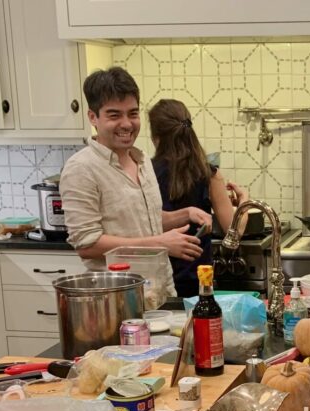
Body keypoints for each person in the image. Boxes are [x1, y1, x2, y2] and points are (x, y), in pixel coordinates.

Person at [59, 67, 209, 303]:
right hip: (116, 300)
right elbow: (87, 244)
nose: (127, 124)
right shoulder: (81, 168)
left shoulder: (141, 160)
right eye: (114, 115)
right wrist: (160, 244)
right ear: (92, 117)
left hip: (160, 294)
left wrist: (185, 214)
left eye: (133, 113)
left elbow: (143, 219)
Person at [148, 98, 250, 297]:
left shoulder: (146, 173)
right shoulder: (208, 174)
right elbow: (234, 233)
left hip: (157, 279)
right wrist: (244, 200)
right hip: (199, 279)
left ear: (155, 136)